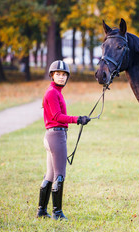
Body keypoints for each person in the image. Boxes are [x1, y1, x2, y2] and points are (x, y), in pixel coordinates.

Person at [36, 60, 90, 220]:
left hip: (53, 135)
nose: (61, 77)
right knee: (59, 175)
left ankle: (41, 211)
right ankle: (57, 213)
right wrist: (77, 119)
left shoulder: (55, 92)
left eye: (64, 74)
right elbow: (57, 117)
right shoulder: (52, 92)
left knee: (50, 176)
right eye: (58, 74)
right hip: (56, 136)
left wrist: (78, 119)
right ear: (52, 75)